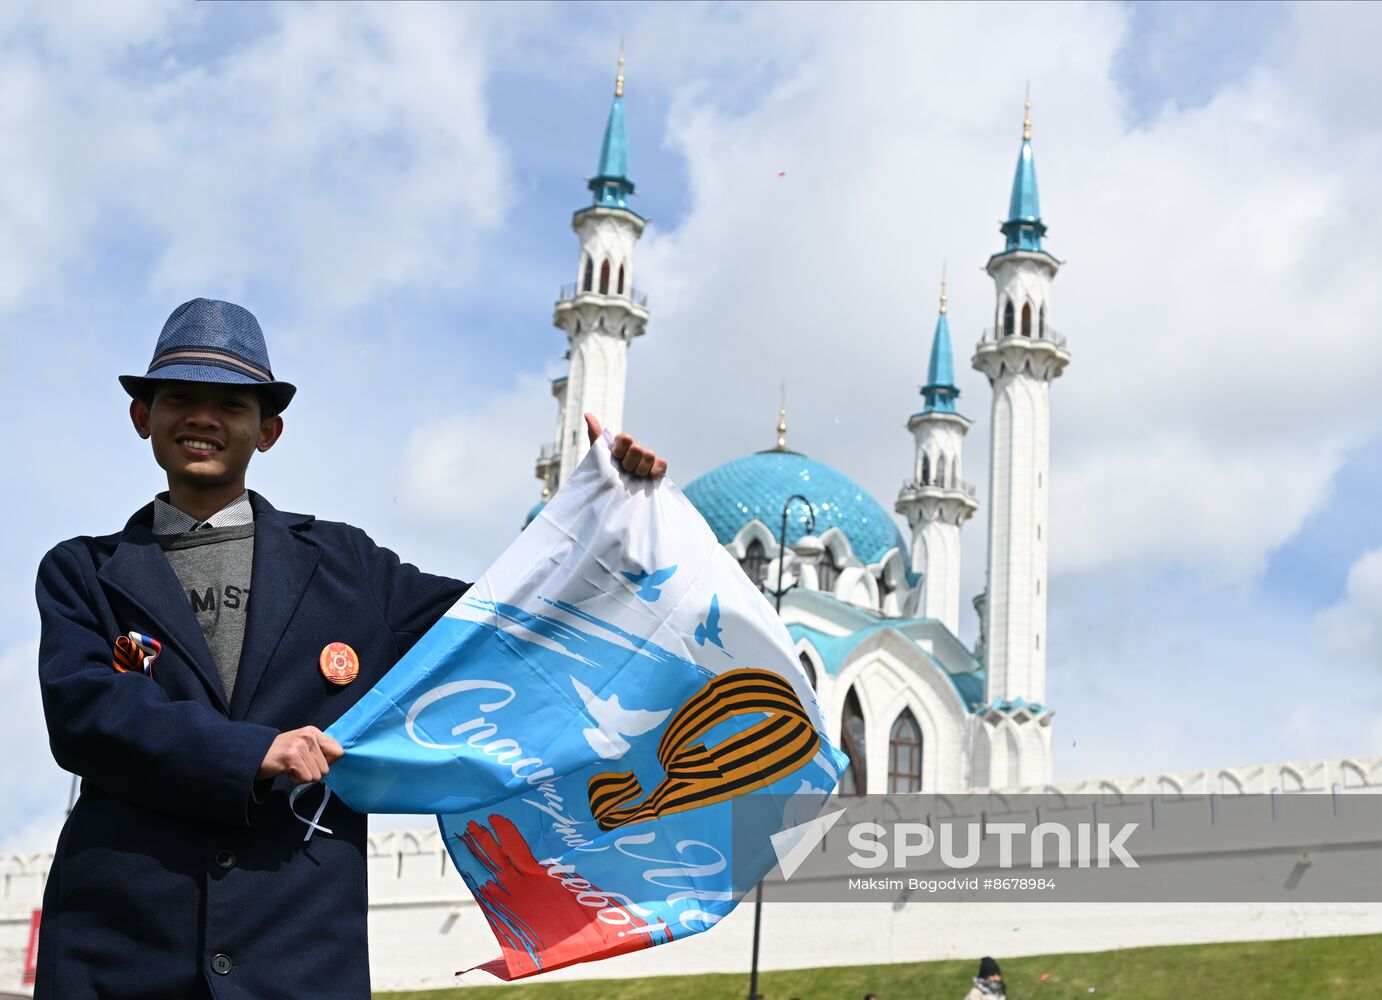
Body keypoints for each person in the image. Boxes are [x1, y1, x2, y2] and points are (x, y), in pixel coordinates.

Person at [33, 298, 667, 999]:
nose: (203, 417)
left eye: (231, 404)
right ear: (141, 416)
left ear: (268, 431)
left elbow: (500, 622)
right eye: (180, 397)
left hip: (297, 955)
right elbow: (87, 714)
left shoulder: (347, 567)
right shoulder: (84, 572)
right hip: (122, 951)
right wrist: (256, 752)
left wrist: (605, 518)